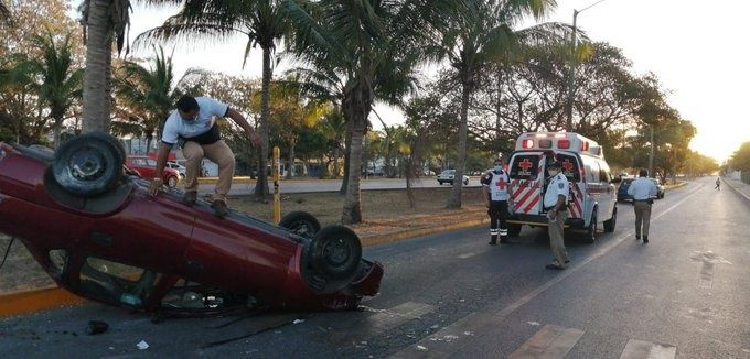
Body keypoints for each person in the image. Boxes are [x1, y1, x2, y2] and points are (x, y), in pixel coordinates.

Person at [149, 96, 260, 217]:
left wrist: (250, 132)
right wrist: (157, 177)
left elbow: (233, 114)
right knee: (196, 153)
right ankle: (190, 192)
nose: (189, 121)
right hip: (190, 142)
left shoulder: (208, 104)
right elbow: (164, 150)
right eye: (185, 119)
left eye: (192, 117)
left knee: (229, 159)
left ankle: (219, 199)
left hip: (211, 140)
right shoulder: (173, 122)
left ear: (197, 110)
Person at [544, 161, 570, 270]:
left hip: (557, 211)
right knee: (558, 236)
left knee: (556, 238)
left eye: (553, 168)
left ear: (559, 168)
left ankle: (560, 263)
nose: (551, 169)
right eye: (550, 167)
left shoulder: (561, 179)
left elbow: (562, 196)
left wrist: (554, 210)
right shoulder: (554, 179)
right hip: (556, 210)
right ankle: (563, 258)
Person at [481, 159, 511, 245]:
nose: (498, 165)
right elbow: (484, 188)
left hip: (503, 201)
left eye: (499, 164)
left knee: (503, 220)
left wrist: (511, 197)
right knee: (493, 220)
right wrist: (486, 200)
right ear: (494, 165)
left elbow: (509, 186)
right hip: (493, 201)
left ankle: (503, 239)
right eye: (496, 164)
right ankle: (493, 240)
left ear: (502, 165)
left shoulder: (506, 174)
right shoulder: (490, 175)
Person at [628, 169, 658, 243]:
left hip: (637, 203)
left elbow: (629, 192)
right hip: (646, 203)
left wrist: (636, 193)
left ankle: (638, 235)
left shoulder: (634, 182)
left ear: (640, 174)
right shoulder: (650, 183)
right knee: (646, 220)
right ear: (646, 175)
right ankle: (645, 236)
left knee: (638, 219)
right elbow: (654, 192)